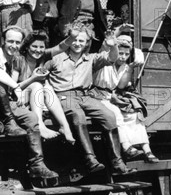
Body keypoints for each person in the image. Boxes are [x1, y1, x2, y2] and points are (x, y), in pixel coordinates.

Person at [42, 23, 134, 175]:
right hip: (64, 95)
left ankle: (117, 162)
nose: (78, 44)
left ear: (86, 43)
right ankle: (90, 159)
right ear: (70, 40)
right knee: (78, 115)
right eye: (75, 40)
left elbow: (112, 58)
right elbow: (41, 75)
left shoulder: (91, 59)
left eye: (82, 41)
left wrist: (113, 46)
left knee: (109, 115)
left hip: (84, 95)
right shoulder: (57, 58)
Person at [0, 25, 59, 186]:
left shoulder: (15, 58)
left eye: (17, 42)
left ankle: (37, 164)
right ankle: (9, 122)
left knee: (32, 117)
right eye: (10, 41)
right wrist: (16, 87)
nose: (13, 45)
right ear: (3, 41)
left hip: (10, 102)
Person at [93, 35, 159, 163]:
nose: (123, 57)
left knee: (133, 115)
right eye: (120, 53)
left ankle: (147, 149)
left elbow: (121, 86)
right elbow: (105, 47)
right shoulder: (104, 61)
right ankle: (126, 147)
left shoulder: (124, 67)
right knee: (116, 113)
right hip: (97, 95)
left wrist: (130, 68)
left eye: (126, 54)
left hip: (110, 96)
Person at [13, 29, 78, 143]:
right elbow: (12, 87)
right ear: (27, 47)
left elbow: (61, 47)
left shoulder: (43, 57)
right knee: (37, 85)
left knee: (48, 87)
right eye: (34, 46)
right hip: (20, 98)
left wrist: (72, 37)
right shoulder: (19, 60)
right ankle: (40, 125)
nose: (38, 50)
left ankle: (65, 127)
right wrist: (33, 78)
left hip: (37, 99)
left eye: (41, 47)